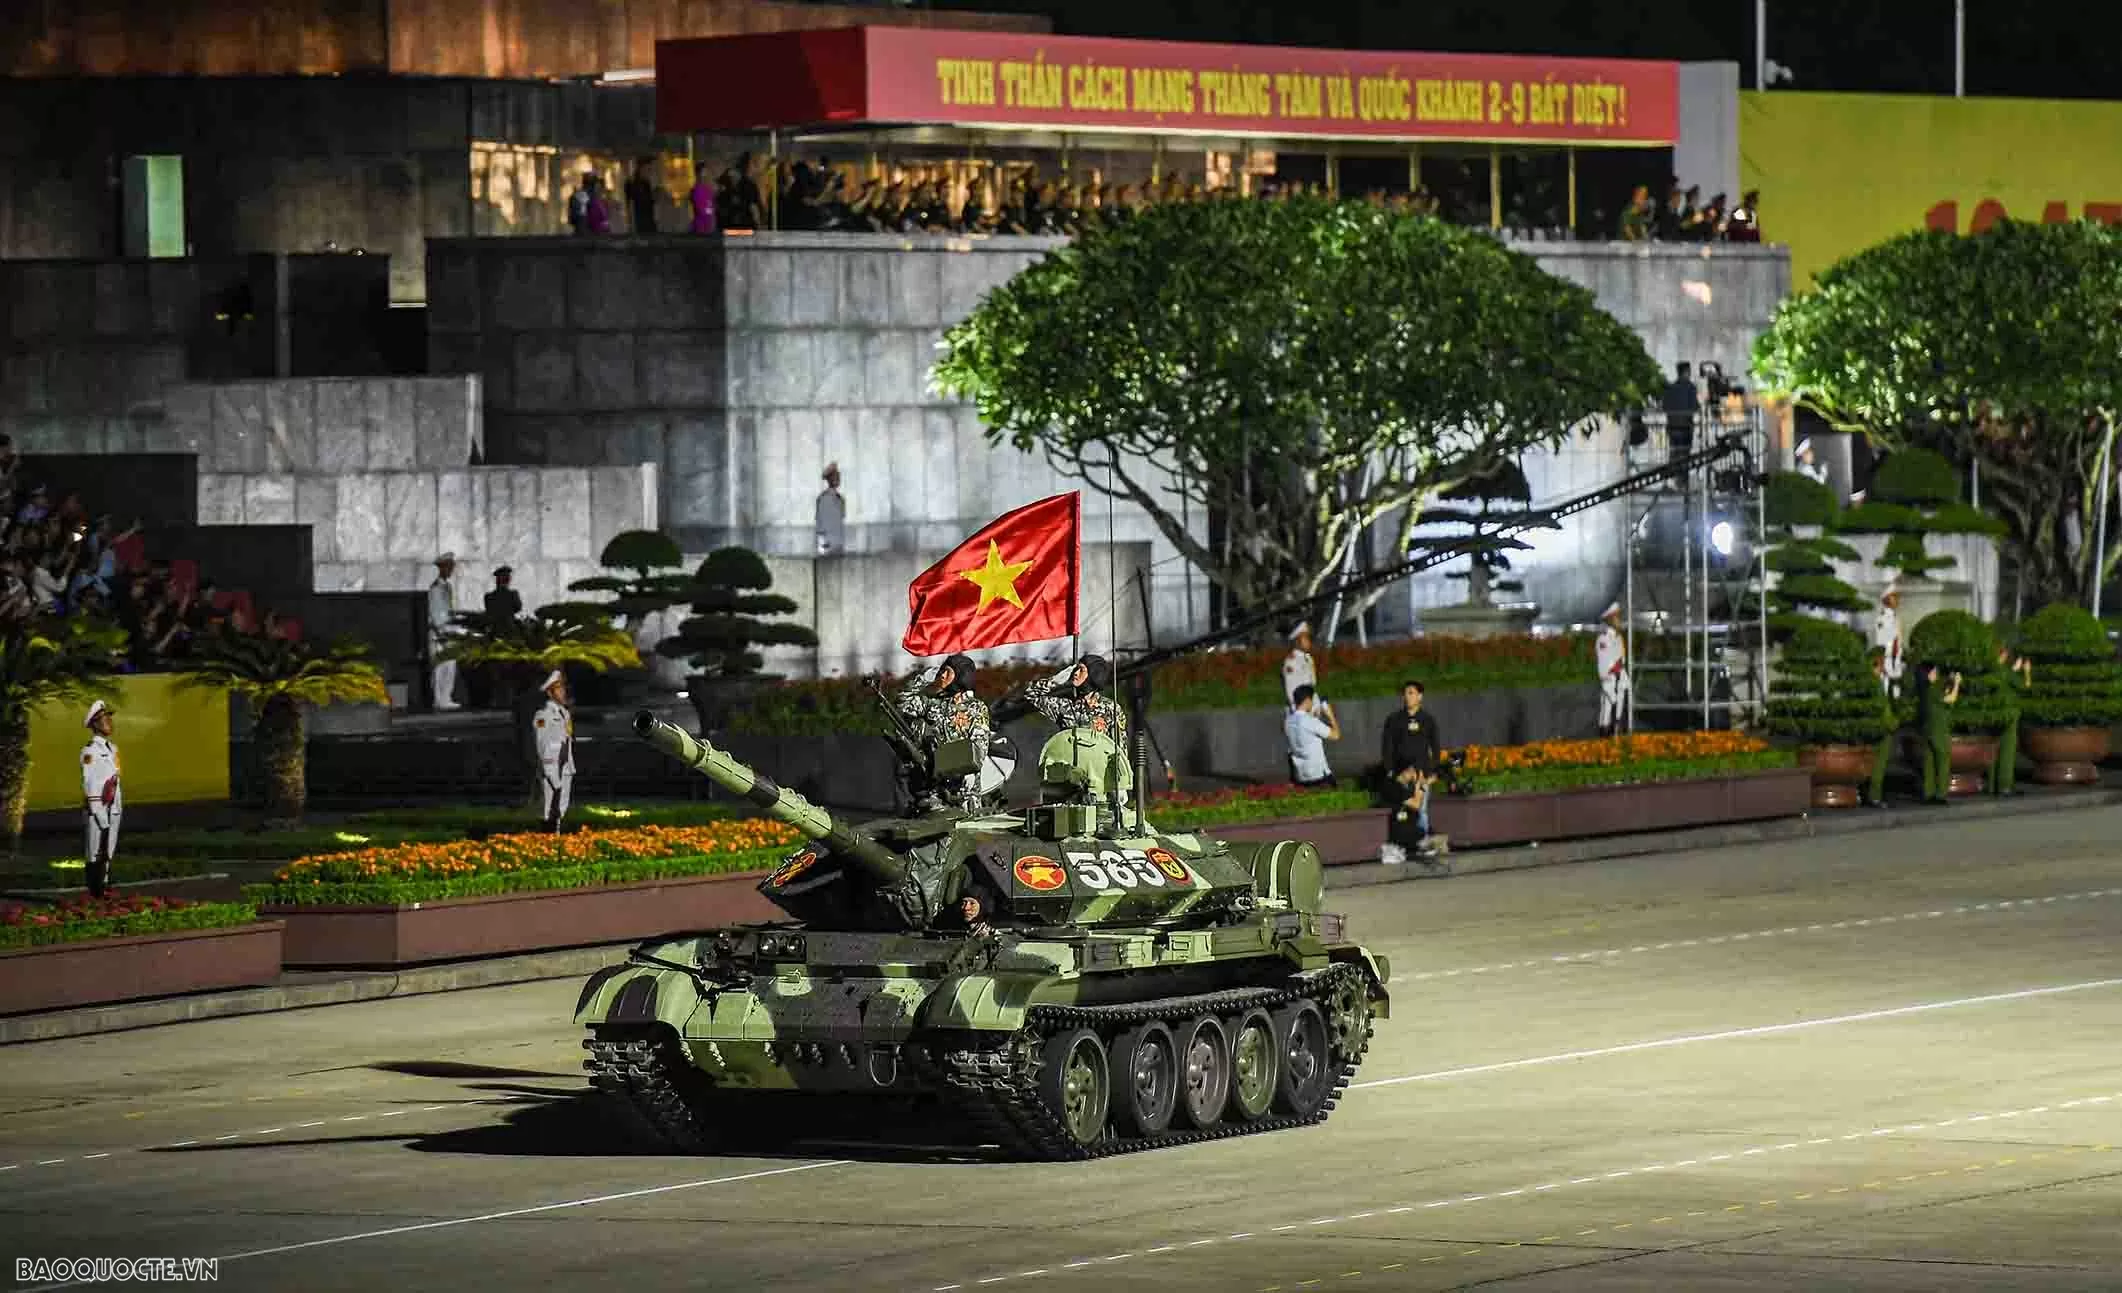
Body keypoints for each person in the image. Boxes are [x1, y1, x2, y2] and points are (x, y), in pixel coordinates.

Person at [894, 653, 992, 807]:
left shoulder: (976, 708)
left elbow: (979, 750)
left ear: (960, 676)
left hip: (963, 791)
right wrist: (924, 678)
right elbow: (902, 703)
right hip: (934, 789)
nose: (942, 675)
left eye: (948, 672)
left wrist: (950, 764)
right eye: (942, 671)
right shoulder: (933, 703)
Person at [1379, 679, 1444, 865]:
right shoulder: (1394, 720)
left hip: (1421, 774)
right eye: (1406, 693)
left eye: (1412, 693)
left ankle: (1422, 844)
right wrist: (1390, 771)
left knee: (1421, 810)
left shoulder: (1428, 720)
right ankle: (1402, 845)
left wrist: (1431, 772)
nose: (1408, 697)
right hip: (1401, 775)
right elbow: (1387, 747)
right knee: (1401, 810)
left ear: (1420, 696)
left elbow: (1435, 748)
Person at [1024, 654, 1127, 743]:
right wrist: (1053, 681)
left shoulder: (1111, 709)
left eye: (1081, 670)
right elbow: (1030, 694)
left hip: (1096, 764)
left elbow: (1120, 749)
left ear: (1093, 674)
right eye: (1076, 669)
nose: (1076, 673)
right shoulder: (1065, 705)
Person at [80, 699, 121, 898]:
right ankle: (95, 892)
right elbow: (90, 784)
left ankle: (105, 887)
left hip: (113, 808)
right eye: (105, 719)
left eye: (109, 718)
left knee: (108, 850)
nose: (110, 723)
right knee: (95, 852)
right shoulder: (90, 751)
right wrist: (100, 815)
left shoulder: (112, 748)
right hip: (98, 810)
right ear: (95, 724)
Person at [533, 669, 574, 831]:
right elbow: (543, 744)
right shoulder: (543, 716)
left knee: (561, 808)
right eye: (558, 689)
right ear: (550, 693)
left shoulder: (564, 713)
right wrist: (550, 771)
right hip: (552, 767)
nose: (563, 692)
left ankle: (556, 839)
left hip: (565, 766)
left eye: (563, 688)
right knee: (549, 810)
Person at [1916, 665, 1962, 803]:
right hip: (1939, 731)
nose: (1936, 674)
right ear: (1929, 674)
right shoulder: (1933, 690)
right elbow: (1951, 698)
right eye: (1934, 672)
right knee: (1942, 762)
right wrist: (1957, 684)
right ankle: (1941, 794)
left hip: (1928, 730)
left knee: (1929, 764)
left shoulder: (1925, 689)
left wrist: (1950, 681)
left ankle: (1928, 792)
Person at [1990, 646, 2032, 796]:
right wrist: (2026, 671)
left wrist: (2014, 669)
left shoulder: (1993, 671)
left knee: (1995, 749)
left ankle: (1992, 784)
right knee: (2007, 750)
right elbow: (2025, 686)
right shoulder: (2006, 672)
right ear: (2003, 655)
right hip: (2009, 714)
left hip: (1994, 714)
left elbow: (2006, 680)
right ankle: (2004, 785)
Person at [1283, 685, 1340, 788]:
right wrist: (1330, 715)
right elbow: (1336, 735)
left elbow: (1304, 730)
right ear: (1308, 700)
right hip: (1319, 777)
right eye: (1313, 700)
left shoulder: (1288, 721)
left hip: (1301, 777)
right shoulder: (1310, 722)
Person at [427, 552, 461, 711]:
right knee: (440, 667)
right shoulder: (435, 588)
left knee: (450, 665)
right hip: (440, 633)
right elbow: (434, 613)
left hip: (449, 630)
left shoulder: (447, 586)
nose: (451, 570)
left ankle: (447, 697)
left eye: (452, 567)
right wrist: (441, 631)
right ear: (442, 568)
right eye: (449, 567)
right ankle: (439, 699)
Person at [1595, 603, 1630, 737]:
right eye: (1616, 617)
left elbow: (1622, 659)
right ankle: (1605, 735)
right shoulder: (1603, 639)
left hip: (1620, 678)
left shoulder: (1619, 637)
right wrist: (1610, 673)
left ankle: (1617, 733)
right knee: (1608, 709)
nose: (1619, 620)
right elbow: (1604, 662)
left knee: (1619, 710)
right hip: (1610, 679)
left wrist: (1620, 670)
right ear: (1610, 620)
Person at [1872, 583, 1904, 698]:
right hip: (1887, 658)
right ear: (1886, 599)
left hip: (1896, 657)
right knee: (1885, 689)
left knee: (1896, 689)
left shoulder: (1895, 617)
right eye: (1894, 597)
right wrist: (1880, 662)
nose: (1897, 600)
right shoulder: (1883, 618)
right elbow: (1881, 641)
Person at [1661, 363, 1699, 456]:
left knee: (1674, 454)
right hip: (1686, 427)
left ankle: (1674, 470)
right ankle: (1683, 470)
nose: (1690, 374)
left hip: (1672, 427)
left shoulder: (1670, 388)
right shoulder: (1691, 387)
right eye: (1689, 371)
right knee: (1685, 455)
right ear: (1686, 372)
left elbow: (1665, 407)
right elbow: (1694, 407)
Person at [1281, 620, 1317, 711]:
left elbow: (1312, 685)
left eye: (1309, 638)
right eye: (1305, 638)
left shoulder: (1309, 659)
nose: (1309, 641)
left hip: (1311, 707)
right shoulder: (1291, 662)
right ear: (1297, 641)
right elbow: (1291, 692)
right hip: (1298, 710)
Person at [815, 462, 846, 556]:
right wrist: (822, 548)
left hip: (838, 546)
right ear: (829, 479)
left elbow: (841, 520)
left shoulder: (840, 499)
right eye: (834, 477)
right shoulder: (823, 498)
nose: (837, 479)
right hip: (827, 548)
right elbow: (820, 525)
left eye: (838, 476)